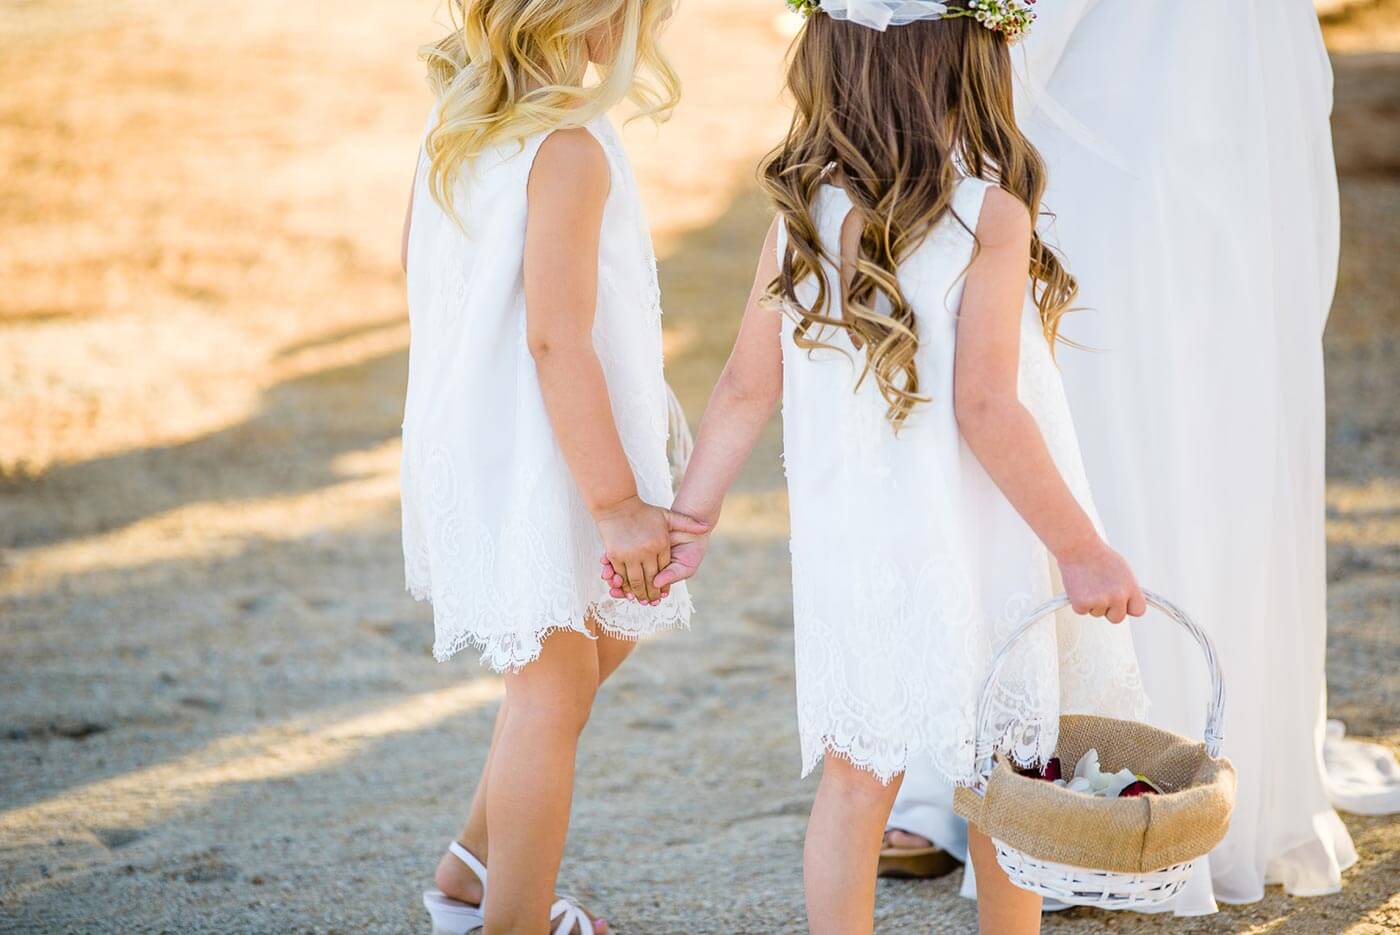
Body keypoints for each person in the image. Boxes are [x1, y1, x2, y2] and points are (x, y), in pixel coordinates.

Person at [608, 1, 1148, 930]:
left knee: (859, 776)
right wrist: (1082, 548)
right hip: (982, 542)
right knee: (1007, 772)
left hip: (856, 549)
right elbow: (986, 407)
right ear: (969, 66)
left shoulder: (804, 216)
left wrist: (688, 517)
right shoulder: (989, 213)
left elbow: (743, 384)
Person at [884, 0, 1381, 913]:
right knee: (1093, 392)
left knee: (1131, 379)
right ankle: (1032, 785)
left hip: (1159, 104)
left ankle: (1110, 787)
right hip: (1103, 96)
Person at [398, 0, 703, 930]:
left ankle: (469, 867)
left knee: (591, 645)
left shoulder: (456, 124)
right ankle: (513, 921)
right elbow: (556, 339)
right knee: (551, 686)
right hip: (543, 454)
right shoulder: (565, 148)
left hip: (489, 435)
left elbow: (413, 268)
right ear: (597, 20)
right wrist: (615, 501)